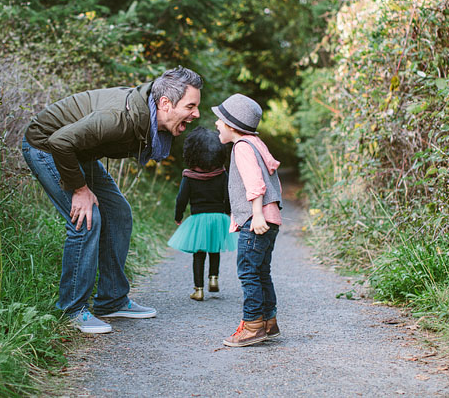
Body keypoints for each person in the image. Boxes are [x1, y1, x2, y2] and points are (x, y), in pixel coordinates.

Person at [21, 67, 203, 334]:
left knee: (118, 213)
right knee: (87, 218)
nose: (196, 113)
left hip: (76, 151)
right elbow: (60, 142)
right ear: (165, 103)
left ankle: (112, 299)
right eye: (191, 106)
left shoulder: (147, 115)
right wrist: (80, 189)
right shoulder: (119, 118)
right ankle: (72, 310)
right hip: (47, 146)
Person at [213, 93, 283, 347]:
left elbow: (255, 182)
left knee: (248, 272)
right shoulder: (256, 143)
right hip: (269, 218)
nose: (217, 125)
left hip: (256, 220)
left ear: (232, 125)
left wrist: (256, 214)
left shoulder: (242, 147)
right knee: (261, 271)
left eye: (219, 120)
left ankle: (253, 326)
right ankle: (268, 322)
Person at [167, 127, 236, 301]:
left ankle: (198, 289)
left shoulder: (189, 176)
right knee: (215, 249)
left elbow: (181, 199)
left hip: (198, 218)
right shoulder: (221, 174)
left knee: (198, 254)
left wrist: (178, 215)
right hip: (218, 216)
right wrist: (227, 212)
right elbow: (228, 196)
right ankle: (214, 278)